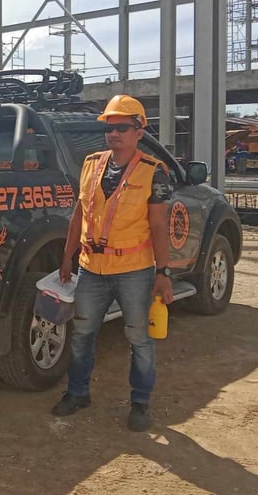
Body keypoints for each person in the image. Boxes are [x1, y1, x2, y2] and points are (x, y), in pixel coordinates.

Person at [51, 95, 174, 432]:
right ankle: (77, 393)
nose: (114, 133)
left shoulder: (154, 173)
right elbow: (80, 212)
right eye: (109, 127)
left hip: (134, 269)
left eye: (122, 127)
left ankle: (140, 403)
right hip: (91, 267)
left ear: (139, 131)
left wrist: (162, 273)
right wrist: (67, 256)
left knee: (138, 338)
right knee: (82, 334)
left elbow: (159, 225)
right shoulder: (91, 163)